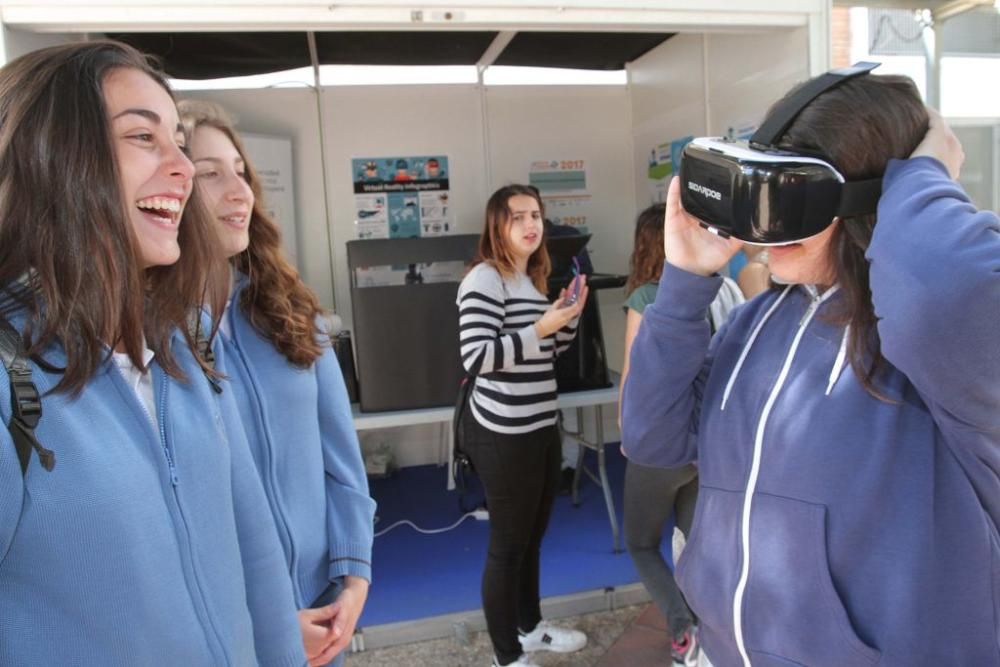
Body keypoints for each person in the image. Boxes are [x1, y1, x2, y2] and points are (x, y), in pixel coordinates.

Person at [621, 67, 999, 666]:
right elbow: (652, 436)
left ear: (873, 199)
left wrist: (922, 172)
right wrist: (686, 281)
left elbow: (955, 288)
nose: (769, 225)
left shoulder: (938, 352)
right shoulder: (752, 325)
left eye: (793, 197)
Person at [0, 41, 306, 666]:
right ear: (51, 154)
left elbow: (255, 552)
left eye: (179, 142)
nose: (184, 168)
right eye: (144, 137)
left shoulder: (185, 340)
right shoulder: (11, 370)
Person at [181, 99, 376, 667]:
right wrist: (265, 620)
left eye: (240, 172)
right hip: (229, 625)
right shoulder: (147, 340)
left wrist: (353, 578)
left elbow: (341, 459)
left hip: (322, 608)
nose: (238, 191)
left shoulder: (289, 311)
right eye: (208, 174)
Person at [456, 184, 590, 667]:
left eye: (536, 214)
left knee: (532, 537)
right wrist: (541, 328)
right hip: (501, 433)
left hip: (539, 425)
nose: (532, 224)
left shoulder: (530, 279)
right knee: (507, 547)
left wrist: (567, 318)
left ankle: (529, 629)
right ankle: (507, 657)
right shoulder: (484, 280)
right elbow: (479, 358)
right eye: (518, 217)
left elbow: (544, 354)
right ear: (497, 225)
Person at [619, 203, 743, 666]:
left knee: (641, 541)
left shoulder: (649, 298)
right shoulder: (729, 289)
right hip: (708, 444)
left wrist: (628, 437)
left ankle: (680, 627)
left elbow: (636, 379)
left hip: (659, 446)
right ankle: (710, 640)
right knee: (696, 545)